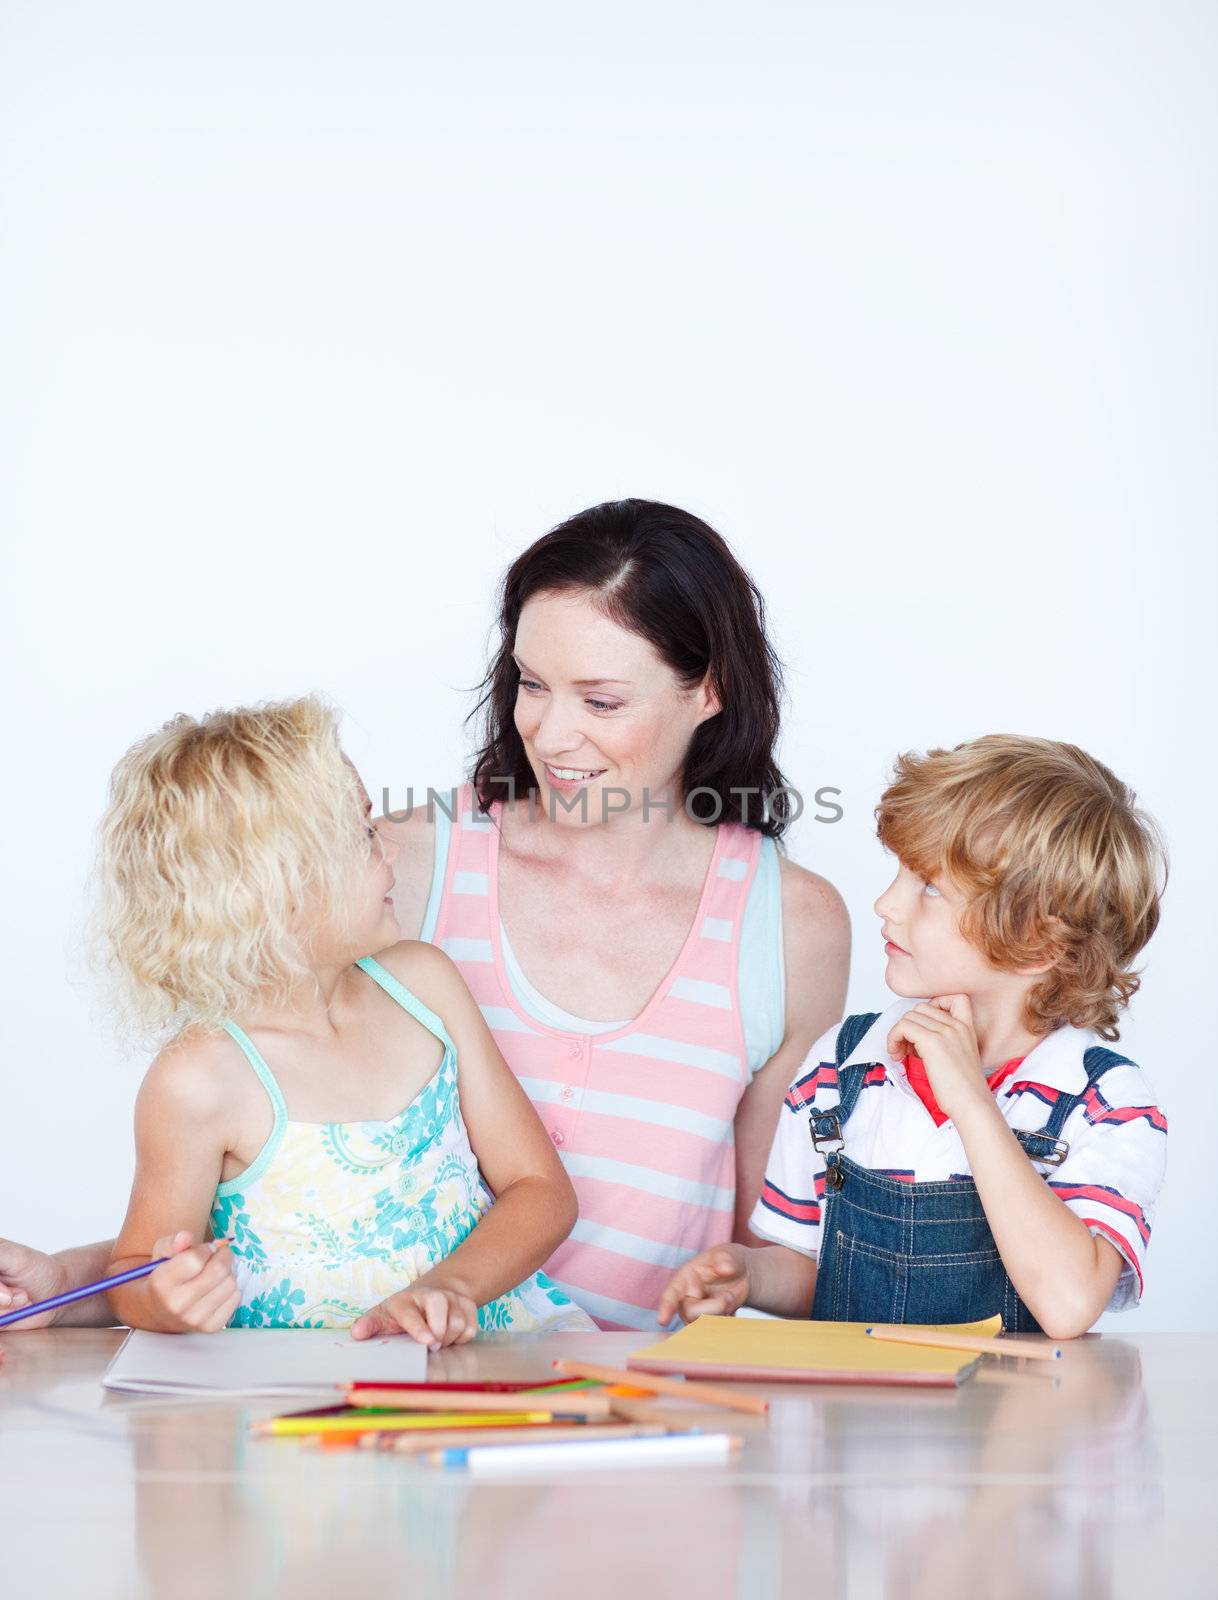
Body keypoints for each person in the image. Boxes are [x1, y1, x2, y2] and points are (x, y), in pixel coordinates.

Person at [0, 498, 849, 1332]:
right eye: (533, 684)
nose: (550, 736)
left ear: (710, 690)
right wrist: (73, 1280)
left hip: (639, 1421)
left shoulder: (792, 929)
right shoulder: (386, 870)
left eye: (600, 701)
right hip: (404, 1411)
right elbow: (284, 1199)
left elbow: (773, 1254)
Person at [88, 697, 595, 1344]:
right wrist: (166, 1298)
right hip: (305, 1408)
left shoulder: (424, 987)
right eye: (360, 835)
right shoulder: (201, 1079)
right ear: (275, 889)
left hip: (487, 1358)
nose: (386, 849)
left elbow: (542, 1189)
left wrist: (451, 1287)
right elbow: (133, 1271)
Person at [657, 735, 1169, 1339]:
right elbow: (811, 1267)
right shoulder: (840, 1067)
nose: (885, 903)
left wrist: (972, 1104)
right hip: (856, 1423)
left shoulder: (1105, 1103)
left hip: (1016, 1429)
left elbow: (1067, 1303)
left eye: (928, 886)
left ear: (1039, 943)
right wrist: (749, 1276)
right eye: (898, 874)